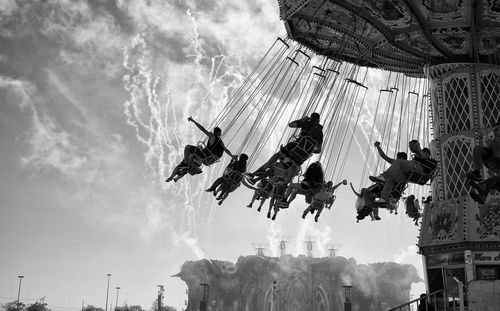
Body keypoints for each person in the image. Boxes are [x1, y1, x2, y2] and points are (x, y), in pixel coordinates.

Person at [252, 112, 323, 175]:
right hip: (303, 156)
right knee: (294, 166)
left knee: (278, 154)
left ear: (310, 117)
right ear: (318, 120)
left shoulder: (306, 123)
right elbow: (319, 150)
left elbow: (291, 124)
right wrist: (310, 151)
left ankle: (263, 169)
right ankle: (285, 183)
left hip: (294, 148)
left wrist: (302, 120)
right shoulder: (320, 133)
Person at [166, 117, 232, 182]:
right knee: (192, 155)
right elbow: (226, 150)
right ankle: (179, 174)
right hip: (209, 161)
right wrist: (232, 156)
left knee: (187, 147)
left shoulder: (212, 136)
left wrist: (193, 121)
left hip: (205, 156)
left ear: (214, 132)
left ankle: (185, 164)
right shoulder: (221, 143)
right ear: (220, 134)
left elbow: (202, 129)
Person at [370, 140, 437, 203]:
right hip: (411, 174)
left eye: (411, 146)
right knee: (390, 179)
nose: (410, 148)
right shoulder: (408, 161)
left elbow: (425, 156)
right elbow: (384, 156)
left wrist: (418, 147)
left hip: (421, 169)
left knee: (398, 162)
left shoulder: (424, 150)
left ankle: (384, 176)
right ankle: (384, 198)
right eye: (409, 147)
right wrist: (378, 146)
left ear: (416, 144)